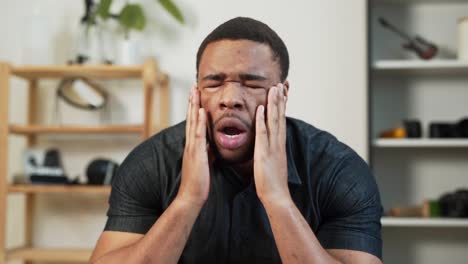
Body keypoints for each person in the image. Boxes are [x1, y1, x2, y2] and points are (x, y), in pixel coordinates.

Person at [90, 17, 383, 264]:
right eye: (214, 83)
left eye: (253, 83)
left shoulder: (338, 171)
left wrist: (278, 199)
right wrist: (187, 201)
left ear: (283, 93)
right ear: (198, 92)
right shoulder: (151, 163)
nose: (230, 99)